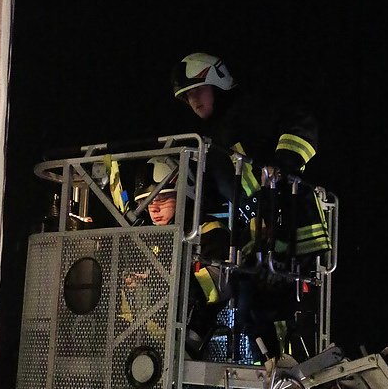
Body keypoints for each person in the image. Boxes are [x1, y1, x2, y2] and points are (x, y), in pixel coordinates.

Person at [170, 51, 331, 364]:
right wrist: (213, 234)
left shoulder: (252, 111)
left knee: (286, 309)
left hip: (296, 229)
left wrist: (285, 164)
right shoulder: (211, 144)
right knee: (245, 306)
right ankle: (195, 346)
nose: (194, 102)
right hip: (259, 238)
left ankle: (296, 369)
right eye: (188, 97)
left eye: (198, 92)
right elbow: (210, 199)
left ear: (217, 83)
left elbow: (303, 123)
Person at [133, 156, 232, 359]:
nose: (154, 209)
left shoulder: (210, 232)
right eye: (146, 202)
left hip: (195, 339)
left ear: (184, 195)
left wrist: (157, 280)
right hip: (151, 339)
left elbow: (214, 291)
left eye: (161, 198)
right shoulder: (157, 239)